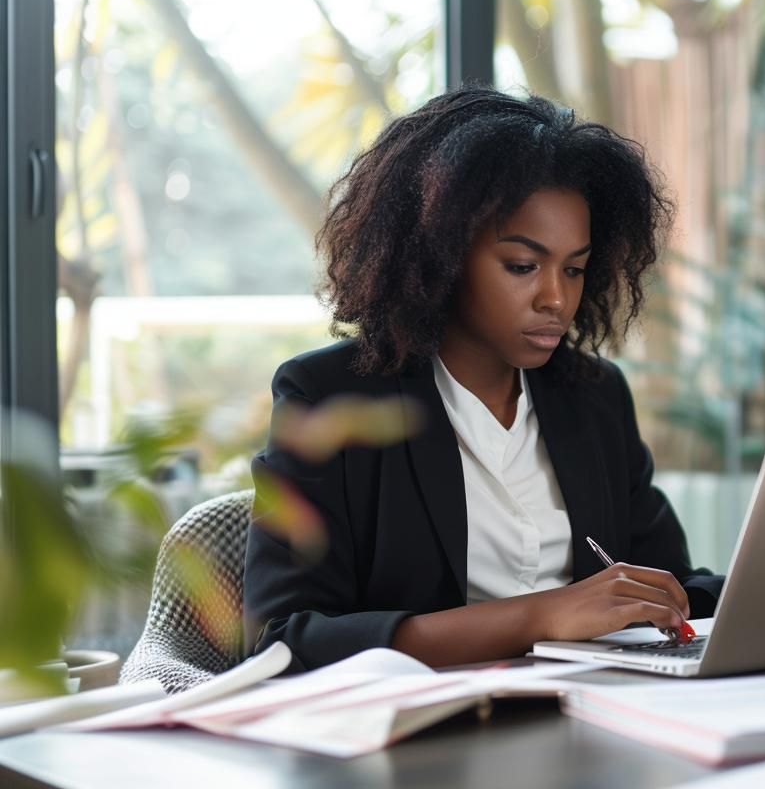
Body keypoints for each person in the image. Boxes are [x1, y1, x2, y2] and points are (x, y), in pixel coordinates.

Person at [243, 86, 722, 671]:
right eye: (522, 266)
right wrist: (541, 615)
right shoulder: (328, 397)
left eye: (575, 269)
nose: (556, 298)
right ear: (438, 256)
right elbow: (283, 638)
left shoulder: (593, 398)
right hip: (425, 736)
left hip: (596, 719)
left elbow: (668, 584)